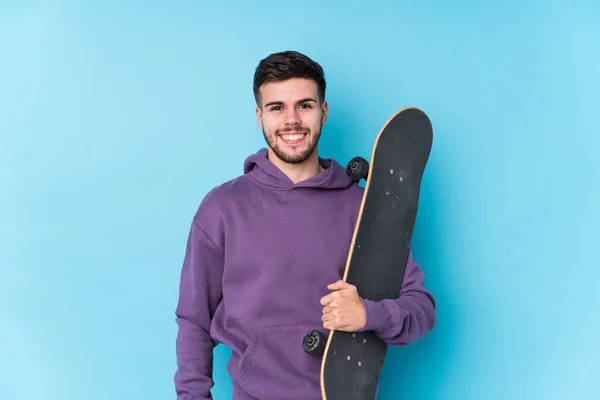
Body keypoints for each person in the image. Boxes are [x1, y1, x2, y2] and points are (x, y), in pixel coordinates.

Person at [174, 50, 436, 400]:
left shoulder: (361, 207)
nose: (292, 120)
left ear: (323, 113)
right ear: (259, 117)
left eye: (305, 105)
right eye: (277, 107)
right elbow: (194, 321)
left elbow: (421, 309)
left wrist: (368, 315)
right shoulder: (222, 208)